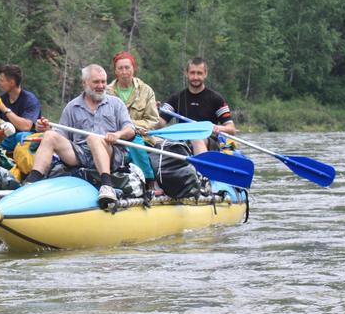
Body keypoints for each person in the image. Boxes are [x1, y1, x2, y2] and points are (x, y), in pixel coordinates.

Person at [25, 64, 135, 209]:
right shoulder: (72, 106)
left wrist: (118, 134)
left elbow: (130, 129)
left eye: (103, 82)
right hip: (80, 153)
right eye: (96, 82)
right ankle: (32, 183)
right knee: (50, 136)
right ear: (85, 83)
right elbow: (61, 135)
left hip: (109, 152)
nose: (101, 86)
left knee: (93, 138)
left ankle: (107, 186)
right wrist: (47, 128)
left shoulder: (116, 103)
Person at [106, 50, 161, 203]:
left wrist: (132, 127)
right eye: (120, 68)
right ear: (115, 71)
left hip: (142, 135)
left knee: (135, 141)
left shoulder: (146, 90)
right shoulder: (107, 91)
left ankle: (149, 181)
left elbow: (153, 119)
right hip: (115, 135)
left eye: (127, 68)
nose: (124, 72)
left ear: (133, 68)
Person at [161, 57, 236, 154]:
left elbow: (231, 129)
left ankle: (202, 168)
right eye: (192, 73)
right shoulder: (176, 98)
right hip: (181, 141)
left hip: (209, 140)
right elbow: (159, 123)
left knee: (196, 138)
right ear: (186, 73)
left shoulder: (216, 99)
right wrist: (151, 110)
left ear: (205, 74)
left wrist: (217, 128)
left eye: (199, 73)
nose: (195, 77)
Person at [0, 64, 41, 153]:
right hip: (7, 137)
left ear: (12, 83)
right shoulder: (2, 98)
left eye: (1, 80)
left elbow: (26, 127)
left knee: (20, 136)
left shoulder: (30, 100)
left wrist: (5, 110)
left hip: (27, 138)